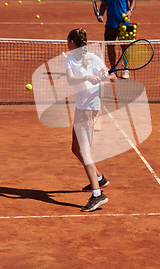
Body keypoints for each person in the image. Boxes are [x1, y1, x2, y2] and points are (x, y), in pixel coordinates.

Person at [65, 28, 116, 212]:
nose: (66, 43)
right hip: (80, 108)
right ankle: (100, 178)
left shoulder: (94, 58)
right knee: (75, 149)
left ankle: (97, 194)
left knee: (85, 152)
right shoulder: (70, 58)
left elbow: (113, 77)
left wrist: (102, 79)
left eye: (67, 40)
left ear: (73, 42)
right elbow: (71, 80)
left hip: (90, 109)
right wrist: (88, 77)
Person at [96, 0, 136, 79]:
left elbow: (133, 0)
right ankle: (113, 70)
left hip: (124, 24)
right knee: (110, 47)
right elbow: (103, 4)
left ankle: (126, 70)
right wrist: (100, 15)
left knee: (125, 47)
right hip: (110, 24)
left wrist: (130, 11)